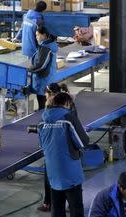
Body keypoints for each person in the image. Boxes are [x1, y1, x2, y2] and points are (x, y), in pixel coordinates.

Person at [38, 92, 89, 217]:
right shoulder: (68, 117)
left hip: (52, 173)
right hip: (70, 171)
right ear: (66, 103)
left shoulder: (42, 121)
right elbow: (83, 142)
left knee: (57, 207)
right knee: (75, 207)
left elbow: (42, 145)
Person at [37, 83, 74, 213]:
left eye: (46, 94)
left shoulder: (52, 110)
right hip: (67, 152)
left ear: (51, 94)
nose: (45, 96)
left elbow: (45, 130)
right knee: (69, 179)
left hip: (55, 151)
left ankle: (50, 203)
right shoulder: (66, 106)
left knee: (51, 178)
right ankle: (68, 203)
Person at [28, 26, 58, 110]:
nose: (36, 37)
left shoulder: (45, 48)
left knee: (43, 106)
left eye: (37, 35)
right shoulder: (48, 45)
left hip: (43, 82)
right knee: (46, 105)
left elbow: (41, 65)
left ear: (44, 35)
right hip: (46, 80)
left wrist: (29, 70)